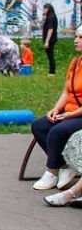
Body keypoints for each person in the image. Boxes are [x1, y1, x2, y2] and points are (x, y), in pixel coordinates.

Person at [30, 26, 82, 191]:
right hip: (69, 112)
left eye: (81, 37)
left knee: (56, 131)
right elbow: (67, 91)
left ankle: (51, 171)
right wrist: (56, 109)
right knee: (39, 126)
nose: (76, 40)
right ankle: (64, 164)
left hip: (79, 114)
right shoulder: (75, 63)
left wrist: (70, 115)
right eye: (76, 36)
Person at [42, 3, 58, 77]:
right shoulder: (51, 16)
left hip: (50, 40)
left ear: (47, 9)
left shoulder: (50, 17)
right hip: (51, 39)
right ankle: (51, 71)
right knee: (50, 56)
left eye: (44, 9)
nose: (43, 10)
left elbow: (50, 29)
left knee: (50, 56)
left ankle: (52, 72)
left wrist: (47, 41)